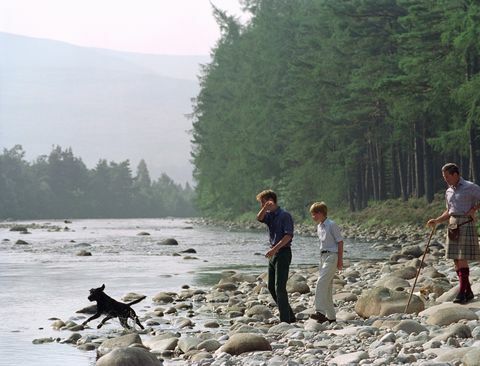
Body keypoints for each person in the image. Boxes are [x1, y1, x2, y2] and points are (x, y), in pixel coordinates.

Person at [427, 163, 480, 304]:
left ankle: (462, 293)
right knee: (456, 259)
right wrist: (437, 221)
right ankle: (468, 291)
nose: (445, 180)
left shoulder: (471, 187)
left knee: (462, 257)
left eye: (447, 176)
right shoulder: (448, 191)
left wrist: (474, 209)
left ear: (455, 174)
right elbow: (449, 211)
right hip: (452, 224)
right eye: (444, 177)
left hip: (465, 223)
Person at [256, 189, 296, 323]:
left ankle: (285, 320)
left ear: (270, 201)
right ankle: (290, 315)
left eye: (263, 202)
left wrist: (274, 249)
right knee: (271, 287)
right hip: (273, 254)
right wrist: (265, 208)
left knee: (280, 287)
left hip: (283, 253)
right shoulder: (269, 215)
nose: (262, 206)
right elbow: (259, 218)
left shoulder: (285, 215)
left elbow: (288, 236)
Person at [309, 201, 344, 323]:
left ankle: (320, 312)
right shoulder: (319, 226)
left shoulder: (331, 225)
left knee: (321, 283)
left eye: (314, 214)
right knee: (327, 287)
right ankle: (331, 317)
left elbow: (340, 241)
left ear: (320, 213)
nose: (312, 217)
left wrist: (340, 260)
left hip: (332, 256)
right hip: (323, 257)